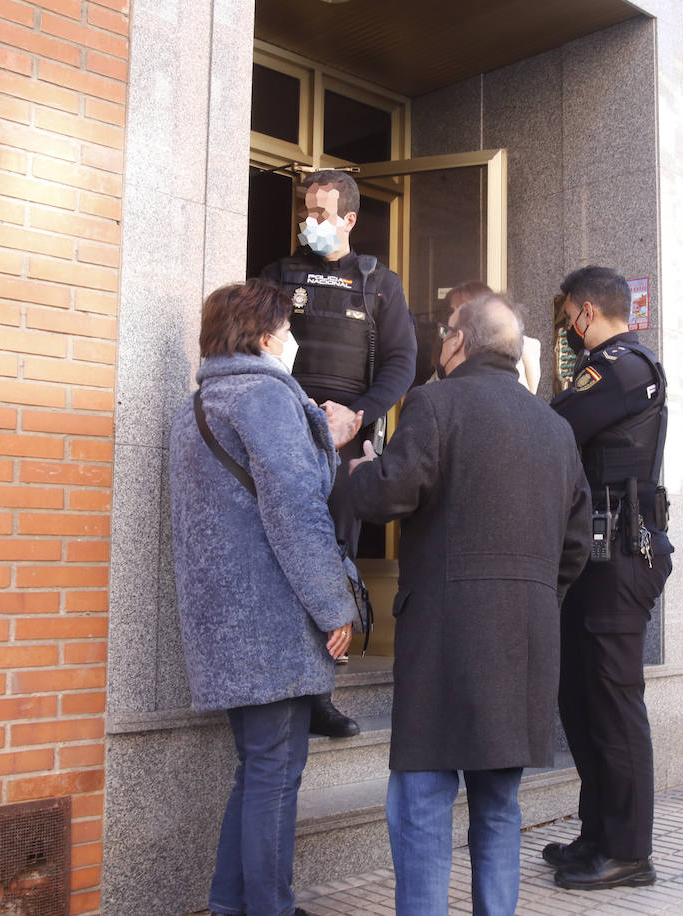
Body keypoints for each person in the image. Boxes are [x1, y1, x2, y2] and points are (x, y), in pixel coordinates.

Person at [347, 294, 592, 915]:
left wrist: (357, 469)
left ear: (459, 343)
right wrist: (534, 598)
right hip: (526, 641)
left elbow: (386, 497)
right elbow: (575, 544)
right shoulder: (556, 427)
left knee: (423, 800)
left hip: (445, 639)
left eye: (445, 331)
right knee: (498, 806)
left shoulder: (434, 403)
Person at [168, 279, 361, 916]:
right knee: (274, 776)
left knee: (256, 771)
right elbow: (296, 511)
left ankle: (232, 907)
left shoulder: (200, 404)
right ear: (265, 335)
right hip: (272, 620)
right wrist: (335, 607)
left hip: (225, 620)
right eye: (287, 327)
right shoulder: (265, 399)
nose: (294, 338)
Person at [259, 169, 417, 739]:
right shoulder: (280, 274)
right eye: (307, 211)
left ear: (349, 220)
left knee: (333, 563)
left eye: (323, 214)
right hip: (285, 431)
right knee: (282, 556)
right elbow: (260, 342)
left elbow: (402, 362)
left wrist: (359, 415)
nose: (311, 223)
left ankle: (321, 694)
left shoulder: (379, 282)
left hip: (345, 441)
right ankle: (281, 686)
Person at [544, 266, 674, 891]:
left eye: (568, 313)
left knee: (613, 702)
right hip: (592, 554)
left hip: (620, 551)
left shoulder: (622, 366)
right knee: (581, 698)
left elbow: (553, 428)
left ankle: (628, 850)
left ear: (587, 311)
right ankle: (597, 833)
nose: (566, 326)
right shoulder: (611, 367)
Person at [435, 280, 541, 392]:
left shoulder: (508, 359)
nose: (455, 315)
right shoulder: (447, 344)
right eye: (451, 310)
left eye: (463, 309)